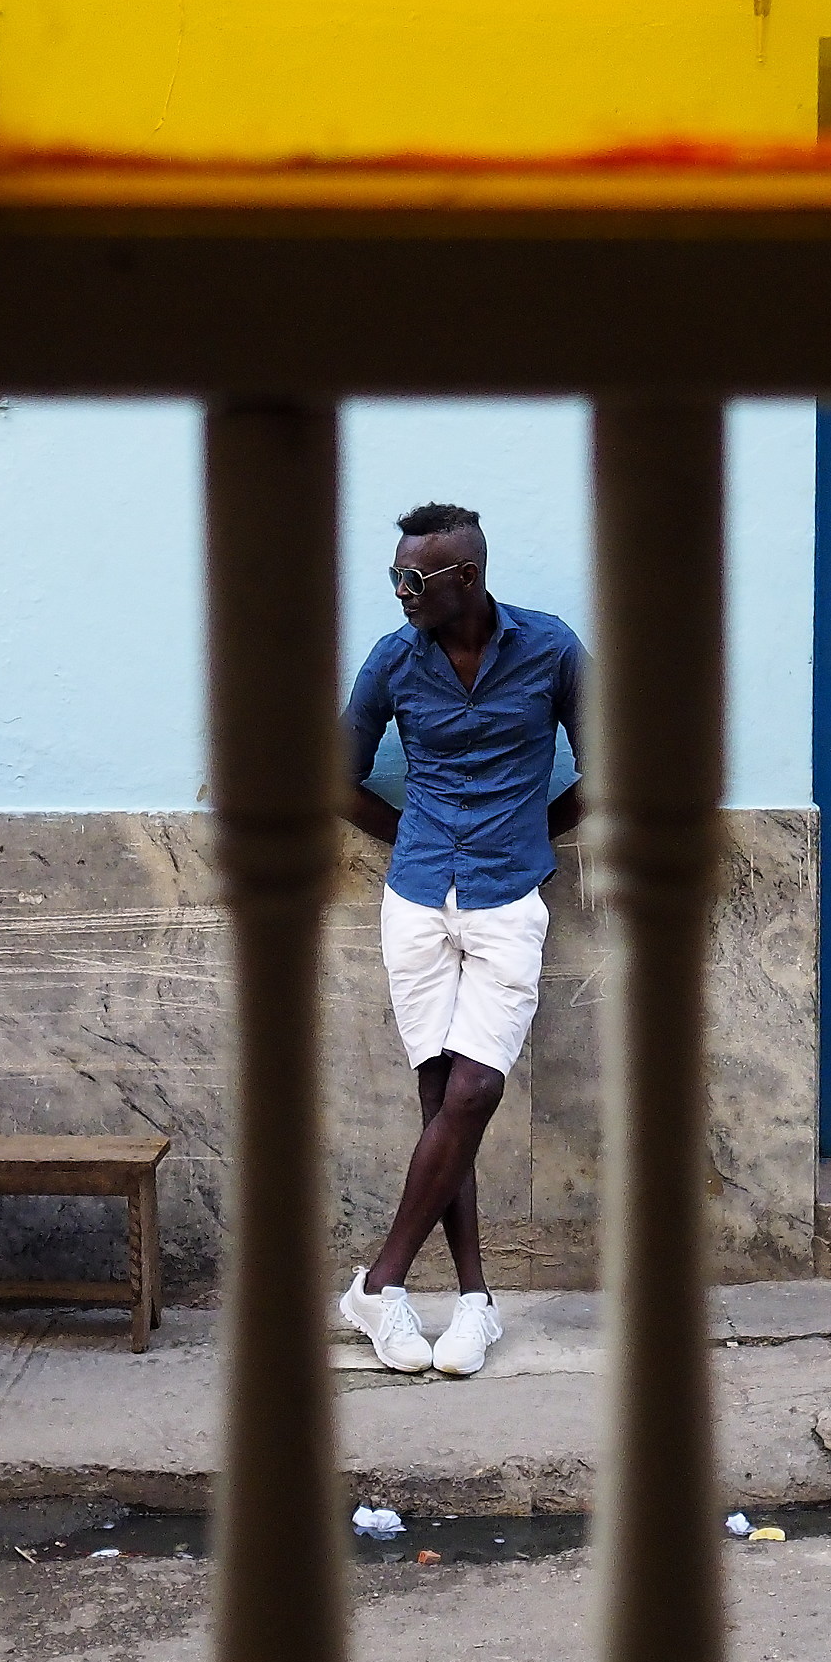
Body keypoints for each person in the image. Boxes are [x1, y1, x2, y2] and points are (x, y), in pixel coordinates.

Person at [337, 502, 586, 1377]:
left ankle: (379, 1282)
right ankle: (471, 1304)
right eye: (396, 576)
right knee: (440, 1100)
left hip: (507, 898)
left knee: (477, 1090)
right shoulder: (393, 660)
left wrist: (532, 832)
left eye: (416, 579)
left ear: (466, 579)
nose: (401, 591)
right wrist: (412, 837)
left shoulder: (551, 650)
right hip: (416, 898)